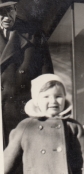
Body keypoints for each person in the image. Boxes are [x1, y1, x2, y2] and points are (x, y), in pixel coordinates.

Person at [4, 74, 84, 174]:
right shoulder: (26, 126)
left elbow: (83, 160)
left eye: (58, 96)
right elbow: (7, 163)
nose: (53, 101)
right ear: (36, 101)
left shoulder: (73, 127)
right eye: (46, 96)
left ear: (65, 98)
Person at [0, 0, 54, 147]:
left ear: (16, 10)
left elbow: (46, 78)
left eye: (9, 10)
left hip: (25, 112)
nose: (5, 17)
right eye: (0, 12)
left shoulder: (34, 34)